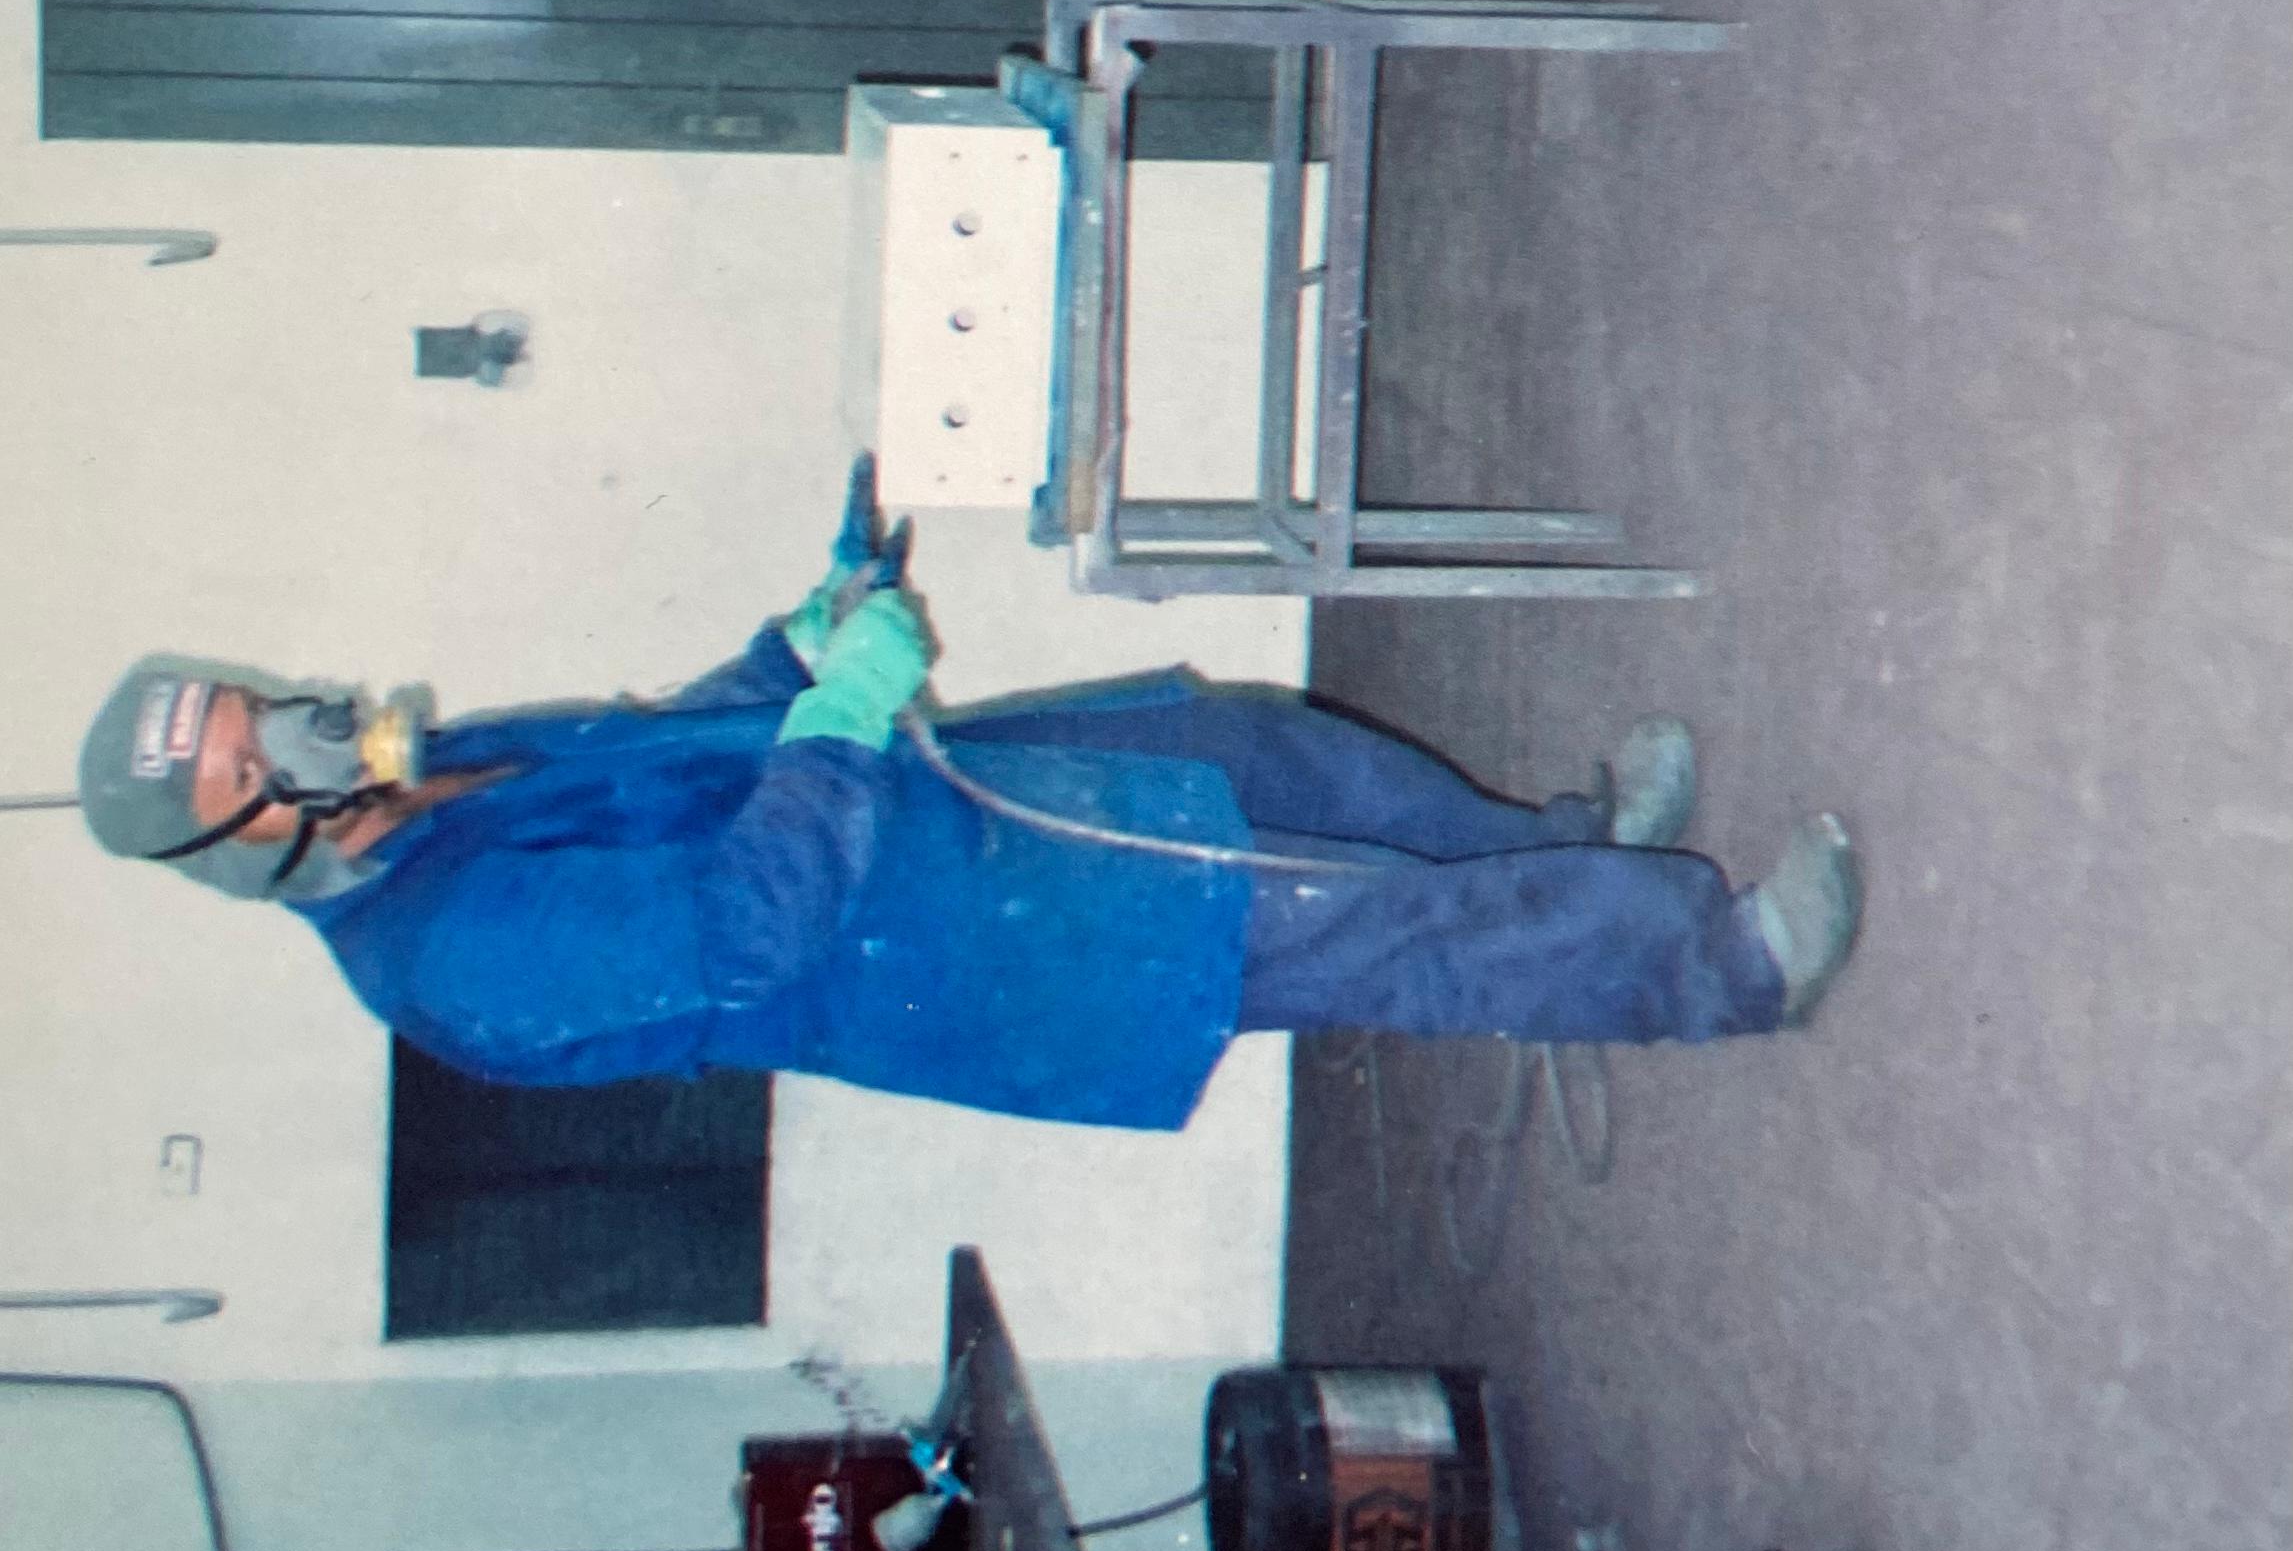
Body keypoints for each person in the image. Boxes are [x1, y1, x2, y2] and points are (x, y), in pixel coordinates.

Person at [75, 527, 1860, 1135]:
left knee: (1266, 751)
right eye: (254, 749)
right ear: (245, 841)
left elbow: (678, 750)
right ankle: (1721, 969)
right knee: (1357, 923)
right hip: (973, 937)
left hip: (938, 802)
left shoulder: (439, 767)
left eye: (256, 699)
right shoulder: (445, 963)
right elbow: (746, 929)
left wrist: (794, 646)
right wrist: (840, 717)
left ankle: (1568, 843)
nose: (299, 717)